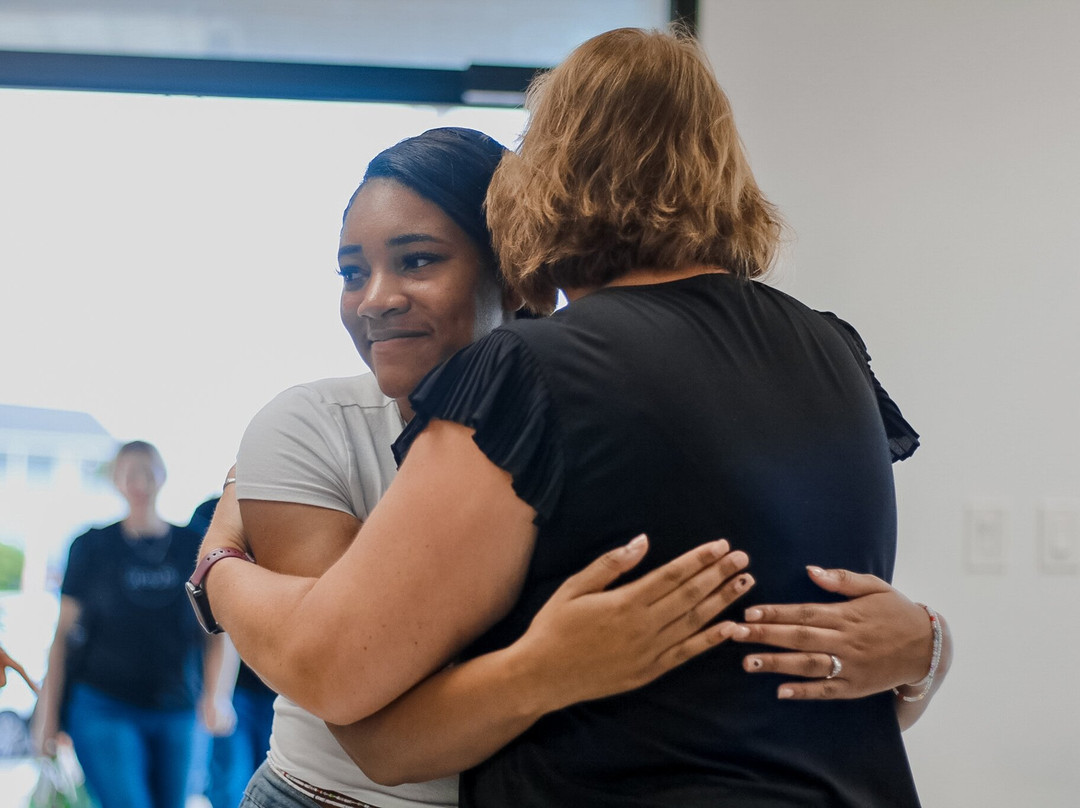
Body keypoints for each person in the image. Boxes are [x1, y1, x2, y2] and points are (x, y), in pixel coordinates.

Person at [201, 50, 952, 806]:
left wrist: (217, 567)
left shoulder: (534, 372)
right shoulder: (831, 352)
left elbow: (345, 681)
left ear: (543, 182)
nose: (378, 299)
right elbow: (804, 676)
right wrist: (929, 648)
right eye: (353, 272)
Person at [210, 126, 755, 808]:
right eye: (353, 272)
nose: (375, 298)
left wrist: (919, 656)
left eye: (416, 261)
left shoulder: (603, 432)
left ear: (517, 273)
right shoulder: (304, 430)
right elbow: (359, 715)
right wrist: (547, 669)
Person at [34, 440, 227, 808]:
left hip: (179, 709)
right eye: (128, 472)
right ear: (115, 482)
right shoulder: (91, 546)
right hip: (104, 706)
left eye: (147, 470)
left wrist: (217, 696)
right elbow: (63, 637)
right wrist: (46, 716)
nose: (138, 481)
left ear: (162, 476)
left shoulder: (192, 544)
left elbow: (217, 630)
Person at [187, 496, 276, 808]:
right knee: (231, 785)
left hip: (280, 681)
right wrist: (215, 692)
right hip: (233, 684)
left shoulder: (280, 508)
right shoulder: (208, 512)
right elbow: (205, 596)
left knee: (279, 784)